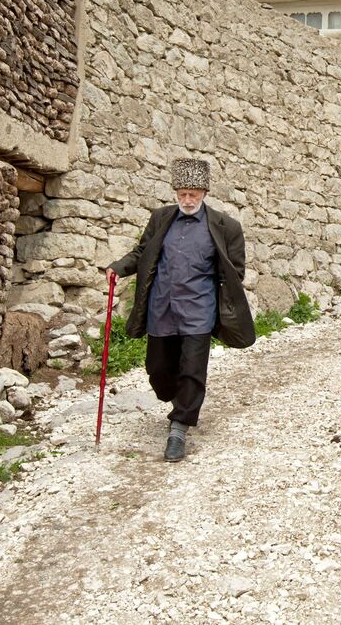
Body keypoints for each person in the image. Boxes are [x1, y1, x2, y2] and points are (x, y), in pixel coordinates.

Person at [105, 158, 255, 461]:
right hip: (162, 307)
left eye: (193, 194)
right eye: (182, 193)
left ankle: (179, 427)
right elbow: (142, 252)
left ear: (204, 192)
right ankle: (176, 398)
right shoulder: (161, 218)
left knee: (193, 371)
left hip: (199, 310)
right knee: (158, 371)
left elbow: (234, 271)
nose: (187, 200)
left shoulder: (226, 227)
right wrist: (119, 268)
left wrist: (220, 303)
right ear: (176, 191)